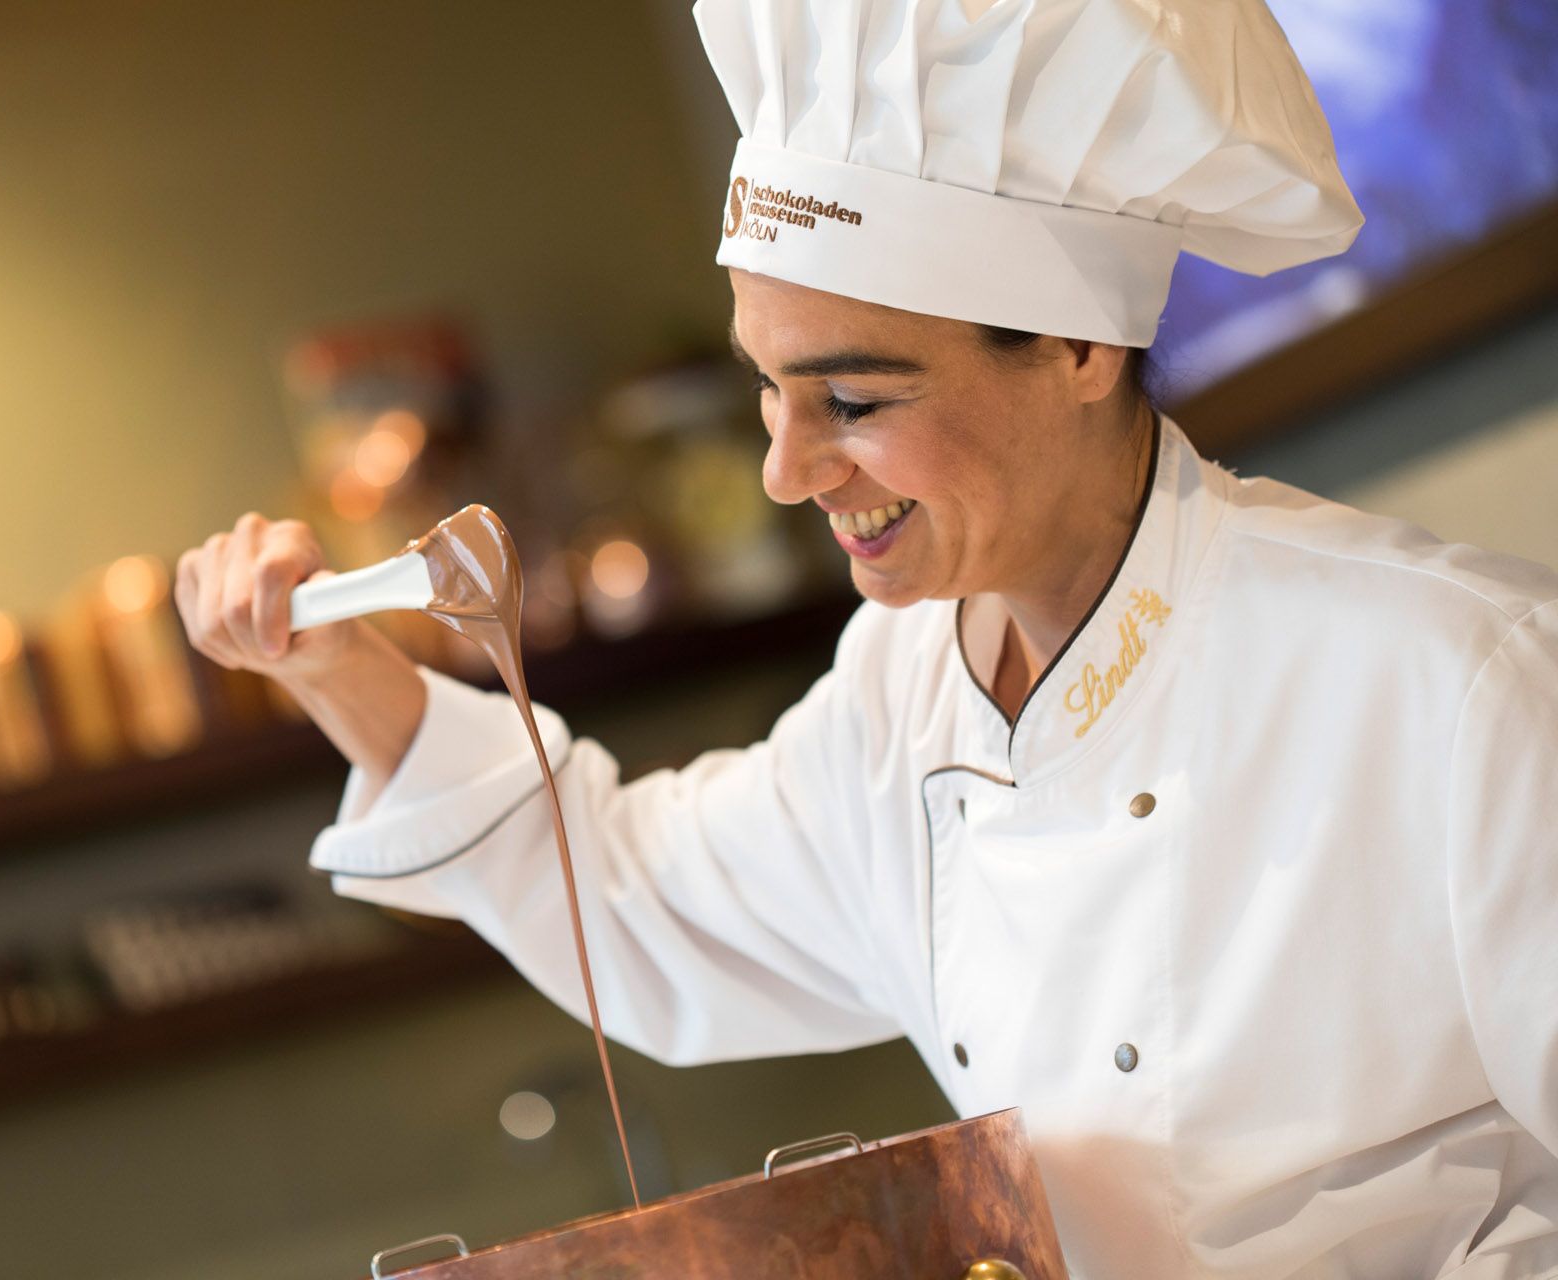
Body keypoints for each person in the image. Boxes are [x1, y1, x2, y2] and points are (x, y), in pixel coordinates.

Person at [173, 1, 1558, 1275]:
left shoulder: (1453, 681)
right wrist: (334, 667)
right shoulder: (906, 695)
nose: (784, 472)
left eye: (852, 400)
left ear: (1078, 349)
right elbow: (642, 901)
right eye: (768, 388)